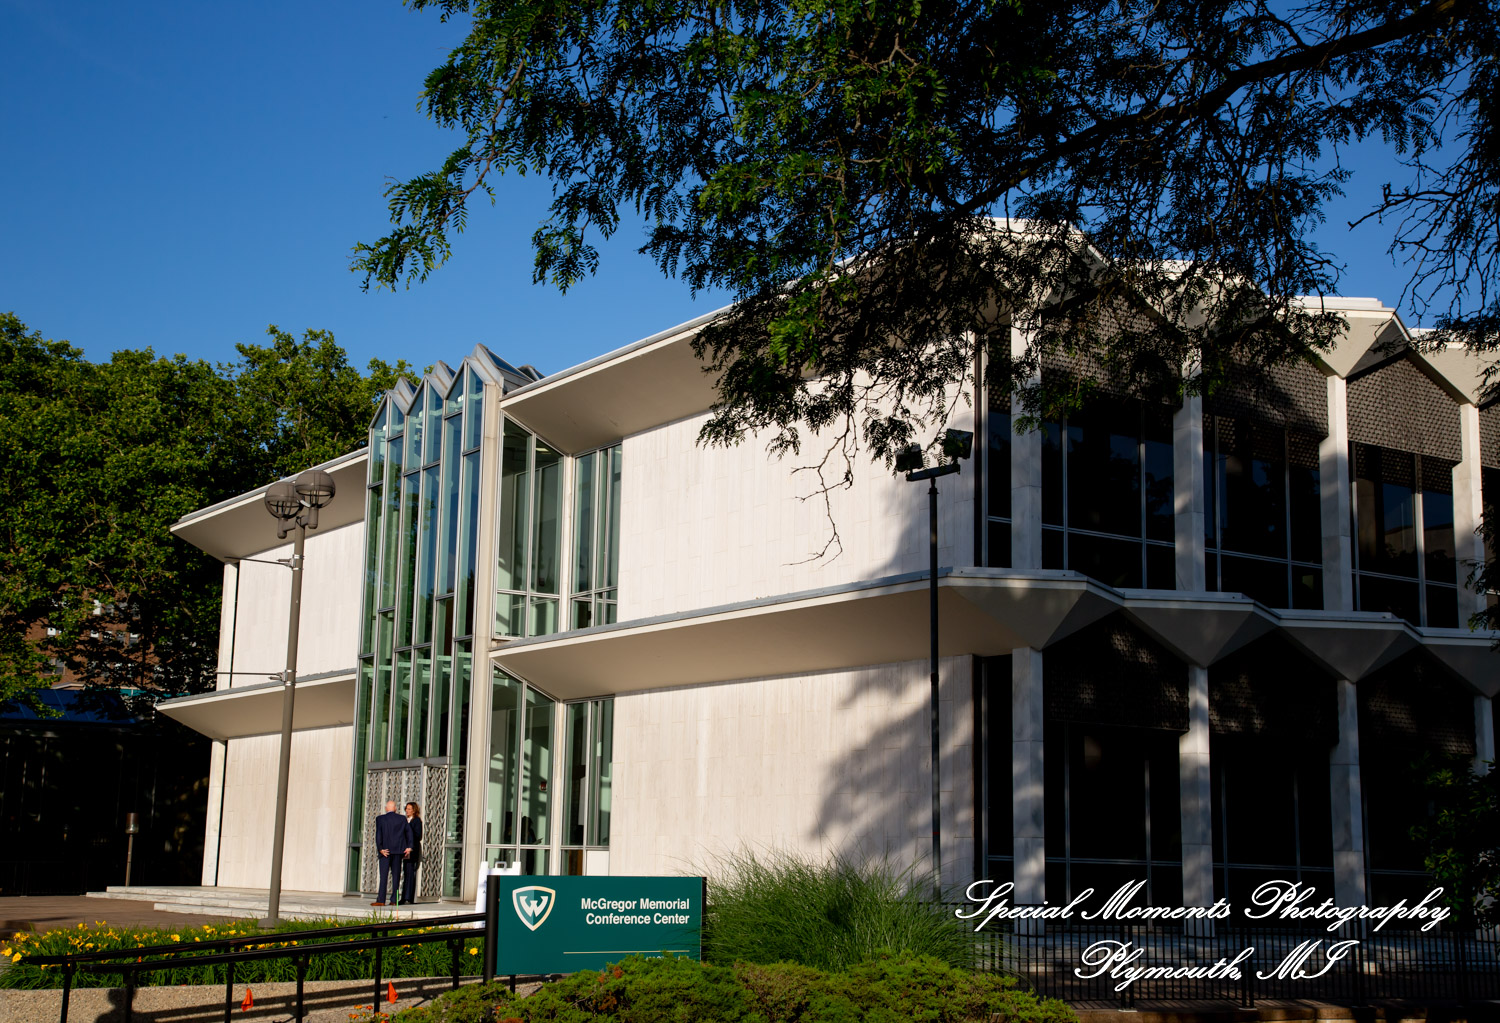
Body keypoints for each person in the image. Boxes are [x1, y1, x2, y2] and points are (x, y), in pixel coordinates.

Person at [372, 800, 411, 906]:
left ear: (386, 808)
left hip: (385, 852)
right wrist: (409, 847)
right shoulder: (402, 819)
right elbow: (408, 832)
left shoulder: (380, 819)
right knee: (396, 876)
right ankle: (394, 900)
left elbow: (378, 834)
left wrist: (380, 848)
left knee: (383, 876)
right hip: (398, 851)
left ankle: (381, 900)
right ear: (395, 809)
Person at [401, 801, 424, 906]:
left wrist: (407, 828)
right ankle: (403, 896)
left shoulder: (416, 821)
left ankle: (408, 897)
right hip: (404, 850)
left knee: (410, 873)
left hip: (412, 850)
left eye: (409, 809)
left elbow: (418, 835)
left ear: (414, 810)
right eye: (406, 808)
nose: (407, 810)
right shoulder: (405, 820)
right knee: (406, 873)